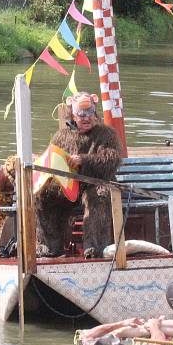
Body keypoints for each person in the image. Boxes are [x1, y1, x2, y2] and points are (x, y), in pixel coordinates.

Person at [35, 92, 122, 258]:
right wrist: (40, 159)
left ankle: (95, 248)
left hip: (96, 182)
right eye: (81, 114)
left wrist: (84, 160)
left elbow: (112, 160)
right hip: (68, 185)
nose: (86, 118)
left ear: (95, 114)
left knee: (100, 194)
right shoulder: (61, 135)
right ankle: (49, 246)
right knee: (42, 195)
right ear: (73, 115)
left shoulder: (107, 134)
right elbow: (51, 157)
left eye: (90, 113)